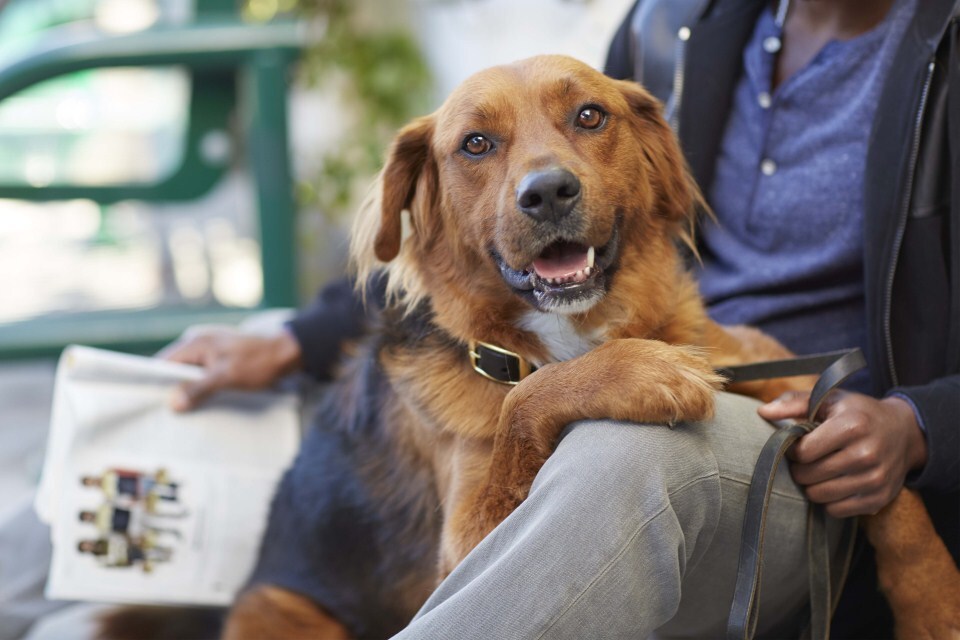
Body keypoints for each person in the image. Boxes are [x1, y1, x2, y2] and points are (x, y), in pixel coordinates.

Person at [164, 0, 959, 636]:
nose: (545, 178)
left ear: (656, 158)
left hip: (793, 412)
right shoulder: (675, 21)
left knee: (622, 451)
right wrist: (291, 339)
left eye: (585, 122)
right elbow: (424, 257)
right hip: (329, 611)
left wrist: (917, 422)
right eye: (480, 145)